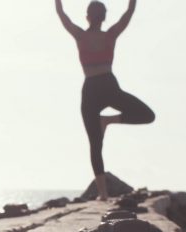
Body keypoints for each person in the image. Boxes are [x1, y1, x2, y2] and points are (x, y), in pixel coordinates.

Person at [56, 0, 155, 201]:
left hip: (91, 88)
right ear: (104, 17)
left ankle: (103, 194)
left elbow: (61, 13)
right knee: (147, 115)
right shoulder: (110, 35)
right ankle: (109, 120)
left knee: (95, 144)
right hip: (109, 86)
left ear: (87, 16)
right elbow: (129, 11)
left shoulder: (80, 36)